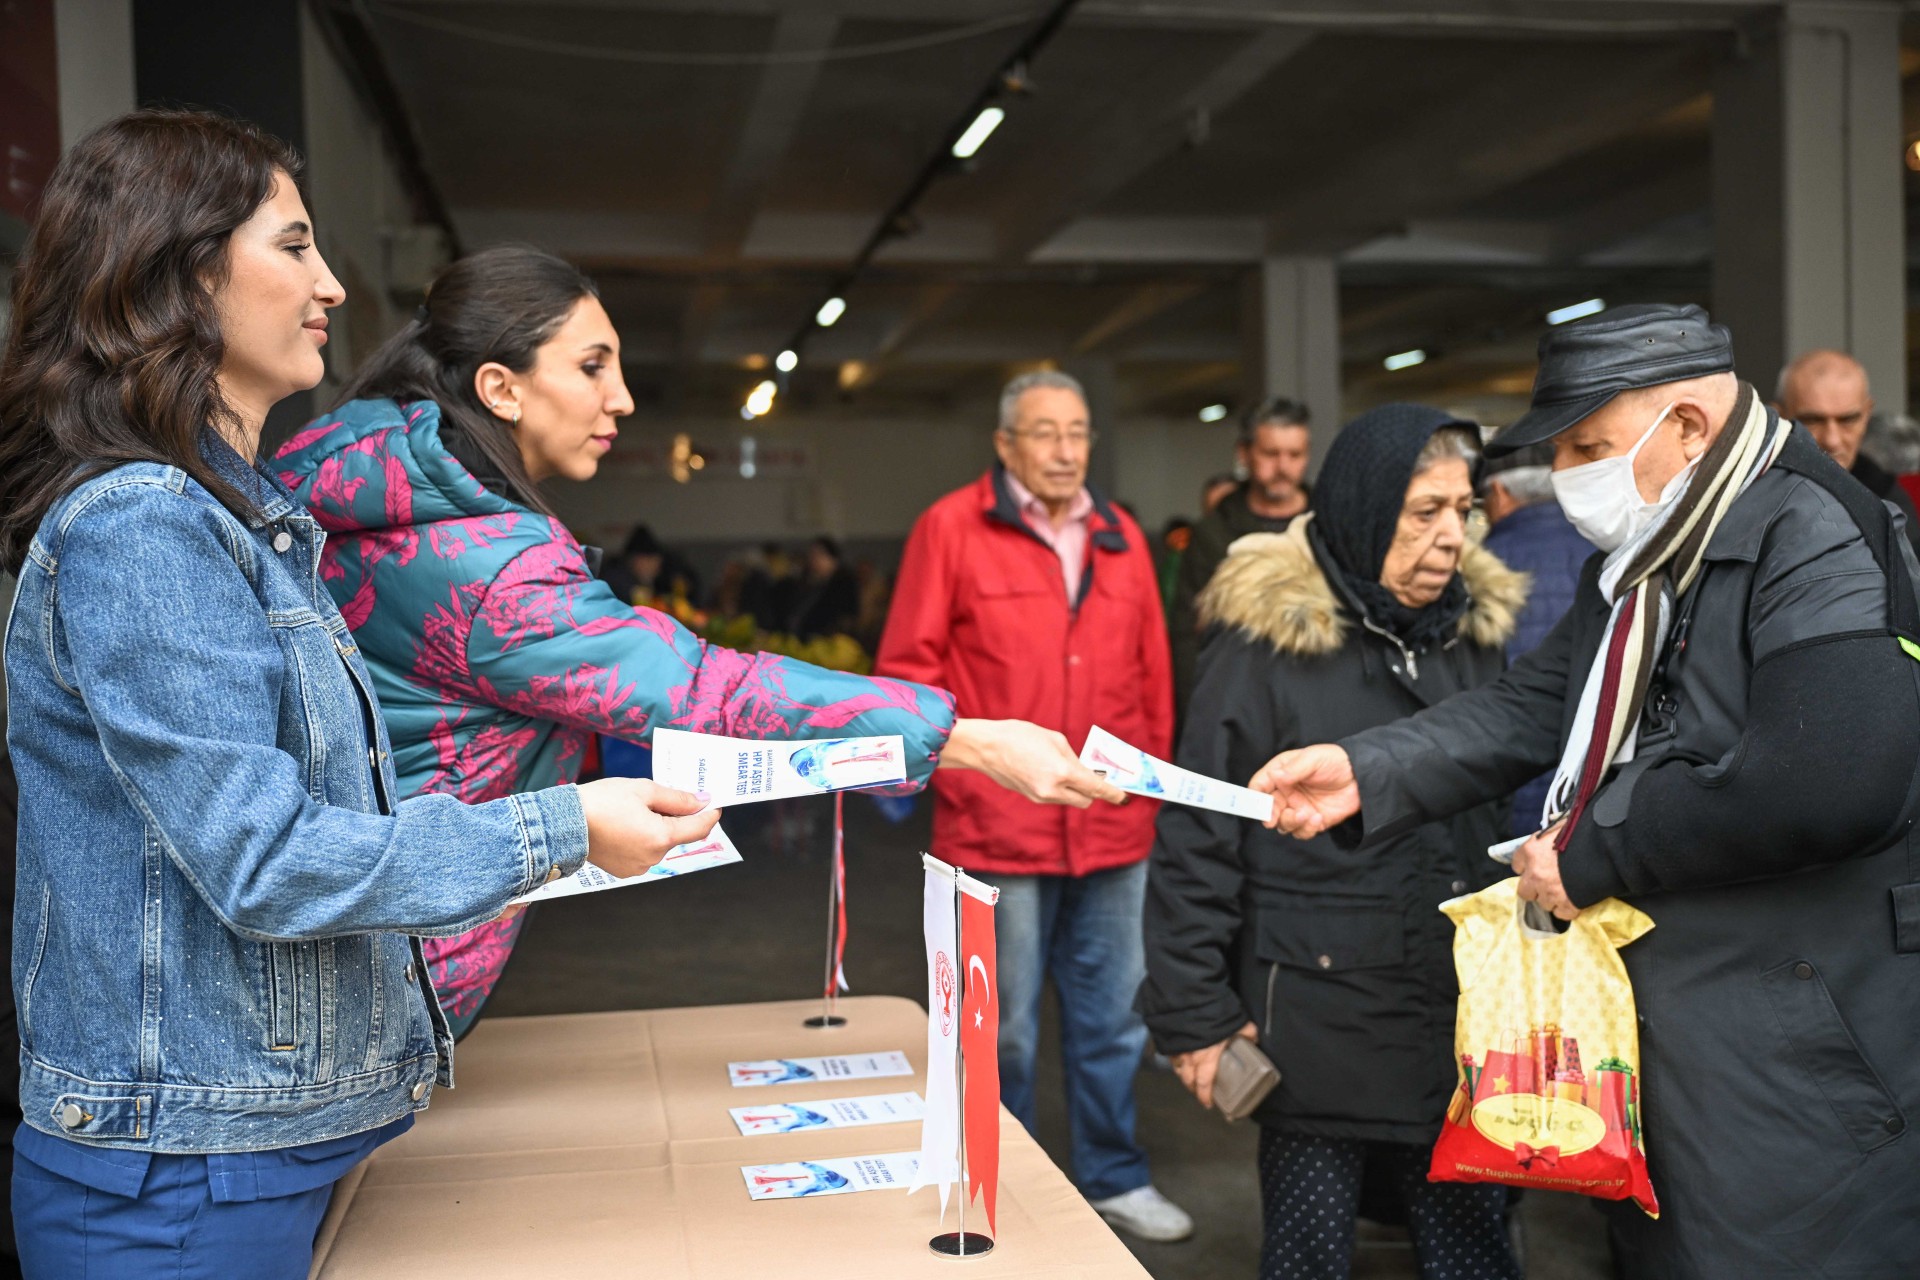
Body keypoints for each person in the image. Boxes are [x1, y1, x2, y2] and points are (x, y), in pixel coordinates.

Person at [0, 109, 730, 1279]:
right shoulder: (144, 527)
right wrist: (560, 827)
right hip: (182, 1177)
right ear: (181, 270)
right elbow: (265, 859)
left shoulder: (243, 523)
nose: (332, 284)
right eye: (294, 246)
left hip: (244, 1147)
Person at [276, 246, 1121, 1038]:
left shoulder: (364, 486)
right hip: (383, 975)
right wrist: (970, 739)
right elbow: (706, 692)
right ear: (501, 388)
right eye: (592, 366)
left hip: (344, 942)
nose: (622, 399)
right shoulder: (486, 565)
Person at [1254, 304, 1920, 1276]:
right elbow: (1536, 702)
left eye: (1588, 446)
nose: (1565, 474)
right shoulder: (1646, 554)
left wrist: (1592, 849)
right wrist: (1368, 769)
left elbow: (1832, 781)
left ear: (1686, 426)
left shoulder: (1818, 535)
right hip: (1676, 1030)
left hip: (1796, 1045)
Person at [1142, 405, 1525, 1279]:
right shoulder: (1264, 647)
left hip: (1458, 1015)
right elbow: (1199, 833)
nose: (1451, 535)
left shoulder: (1475, 636)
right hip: (1313, 1017)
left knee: (1474, 1250)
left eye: (1462, 509)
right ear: (1363, 510)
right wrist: (1193, 1011)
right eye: (1424, 511)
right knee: (1309, 1256)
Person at [876, 371, 1189, 1242]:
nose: (1064, 450)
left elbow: (1153, 679)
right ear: (1005, 444)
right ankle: (1003, 1187)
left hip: (1111, 827)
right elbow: (908, 673)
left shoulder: (1122, 539)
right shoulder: (950, 528)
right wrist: (961, 777)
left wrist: (1148, 792)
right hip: (995, 829)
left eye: (1078, 432)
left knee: (1115, 1021)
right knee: (1000, 1030)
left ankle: (1116, 1177)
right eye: (1044, 432)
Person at [1479, 440, 1597, 837]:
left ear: (1498, 493)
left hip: (1504, 790)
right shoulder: (1606, 554)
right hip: (1588, 800)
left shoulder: (1478, 566)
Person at [1171, 398, 1312, 719]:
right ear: (1244, 453)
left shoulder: (1328, 526)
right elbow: (1185, 636)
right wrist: (1196, 712)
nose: (1283, 467)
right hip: (1236, 703)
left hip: (1314, 700)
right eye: (1271, 453)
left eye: (1295, 455)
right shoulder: (1212, 534)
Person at [1775, 348, 1920, 558]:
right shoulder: (1751, 492)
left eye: (1848, 420)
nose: (1832, 440)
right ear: (1779, 415)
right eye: (1812, 420)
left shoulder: (1889, 501)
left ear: (1867, 414)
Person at [601, 522, 701, 608]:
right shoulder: (616, 580)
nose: (654, 567)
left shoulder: (663, 578)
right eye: (648, 561)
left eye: (656, 562)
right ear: (634, 560)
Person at [787, 536, 860, 639]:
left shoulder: (843, 584)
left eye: (819, 555)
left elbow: (845, 616)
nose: (814, 560)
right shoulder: (808, 583)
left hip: (831, 639)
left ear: (832, 558)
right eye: (812, 555)